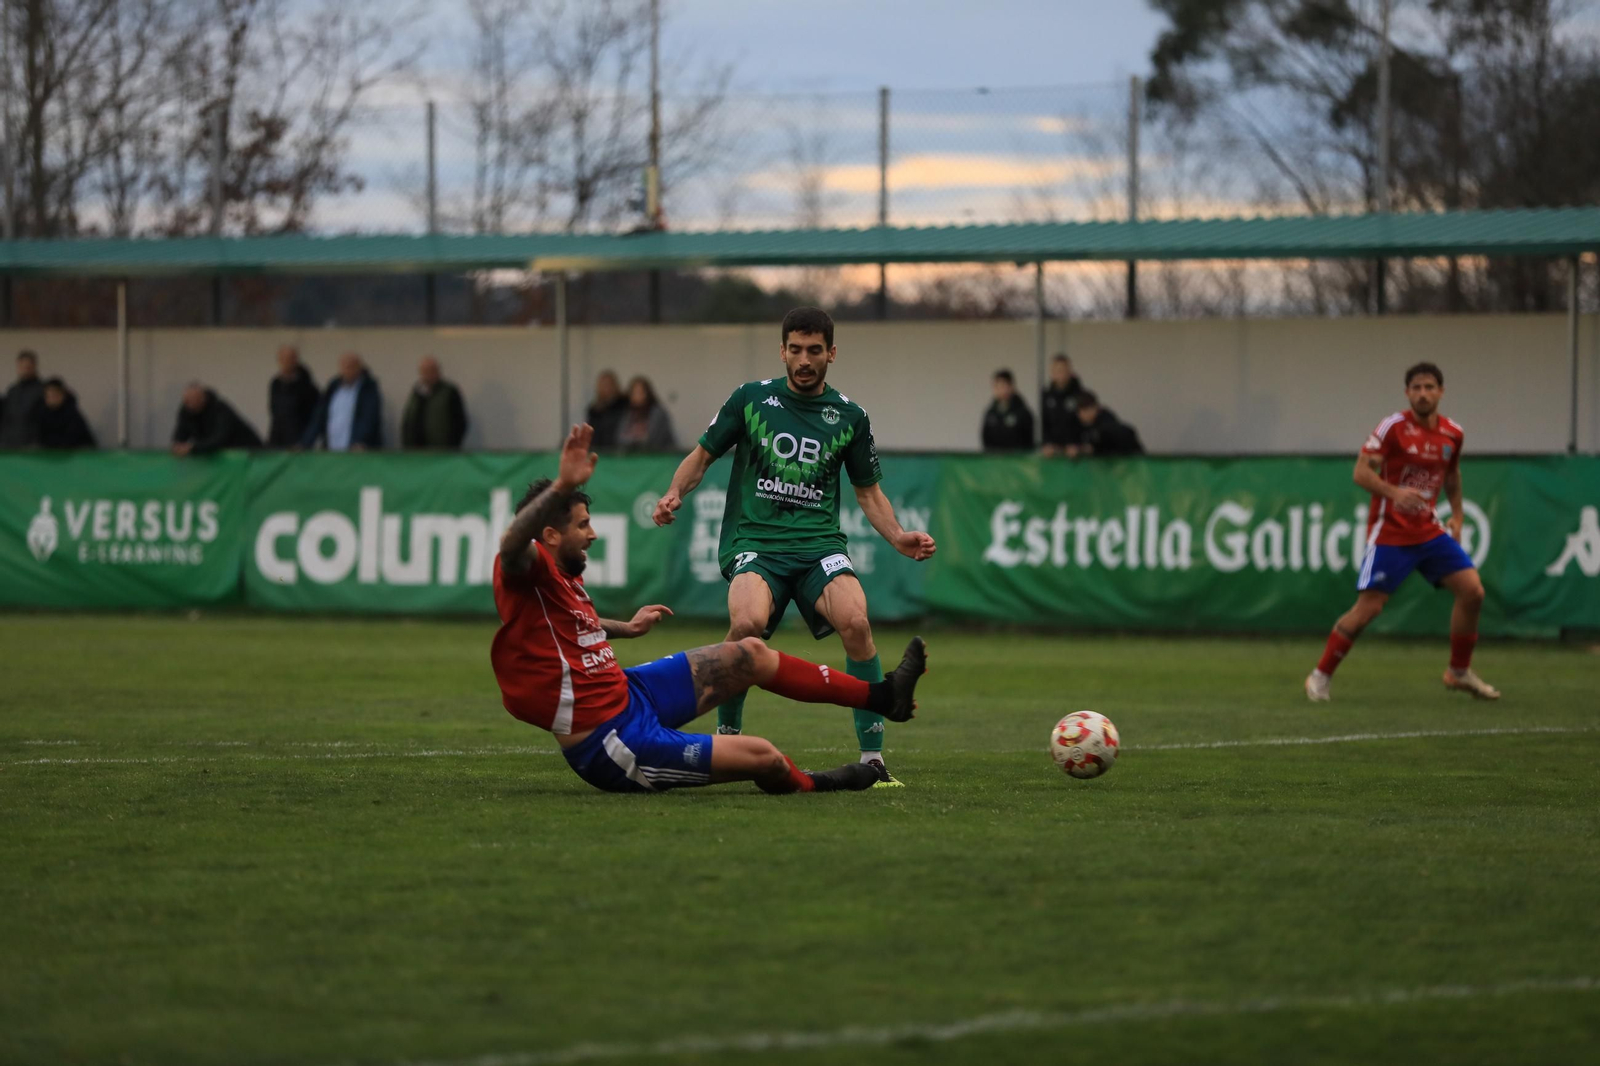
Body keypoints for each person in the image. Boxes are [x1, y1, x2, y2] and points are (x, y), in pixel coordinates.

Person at [493, 423, 929, 795]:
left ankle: (883, 697)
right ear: (549, 535)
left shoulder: (560, 576)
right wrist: (562, 486)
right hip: (611, 742)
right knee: (764, 756)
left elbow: (575, 624)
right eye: (583, 524)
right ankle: (817, 784)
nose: (592, 534)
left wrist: (626, 628)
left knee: (750, 652)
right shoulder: (525, 566)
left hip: (629, 693)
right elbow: (511, 545)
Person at [652, 306, 937, 787]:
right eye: (796, 350)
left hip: (819, 546)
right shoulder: (750, 399)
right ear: (782, 351)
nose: (805, 360)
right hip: (755, 543)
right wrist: (674, 492)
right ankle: (727, 738)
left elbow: (869, 493)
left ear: (832, 353)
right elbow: (702, 456)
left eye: (815, 350)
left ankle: (873, 759)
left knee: (857, 622)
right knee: (747, 625)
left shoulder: (851, 417)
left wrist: (898, 536)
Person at [1306, 361, 1499, 702]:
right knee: (1368, 610)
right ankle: (1320, 676)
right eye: (1416, 388)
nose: (1423, 394)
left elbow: (1451, 475)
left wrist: (1457, 515)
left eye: (1429, 387)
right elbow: (1360, 472)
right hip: (1391, 533)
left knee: (1473, 592)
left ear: (1441, 392)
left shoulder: (1453, 433)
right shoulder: (1392, 427)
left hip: (1429, 531)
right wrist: (1394, 493)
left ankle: (1458, 672)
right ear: (1407, 393)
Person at [301, 352, 383, 451]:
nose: (348, 370)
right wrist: (305, 443)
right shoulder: (333, 388)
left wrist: (360, 440)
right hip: (332, 447)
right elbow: (319, 417)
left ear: (359, 368)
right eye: (345, 367)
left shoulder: (368, 390)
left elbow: (368, 419)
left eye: (351, 367)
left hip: (356, 449)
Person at [172, 382, 262, 456]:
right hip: (224, 455)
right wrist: (178, 446)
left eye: (192, 400)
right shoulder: (186, 412)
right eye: (186, 402)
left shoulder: (220, 409)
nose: (189, 405)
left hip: (248, 452)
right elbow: (180, 435)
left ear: (203, 398)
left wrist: (193, 448)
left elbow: (219, 439)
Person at [400, 355, 469, 449]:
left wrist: (452, 445)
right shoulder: (416, 393)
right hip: (416, 451)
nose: (427, 374)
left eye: (431, 370)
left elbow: (460, 422)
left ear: (437, 371)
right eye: (424, 371)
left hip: (442, 450)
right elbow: (408, 420)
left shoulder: (449, 392)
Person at [268, 346, 320, 448]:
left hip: (299, 441)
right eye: (283, 359)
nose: (286, 362)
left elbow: (314, 416)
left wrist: (305, 441)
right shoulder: (275, 383)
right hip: (277, 439)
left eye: (290, 359)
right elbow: (274, 411)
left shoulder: (307, 386)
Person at [1070, 390, 1143, 458]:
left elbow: (1109, 444)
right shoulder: (1078, 424)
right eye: (1080, 411)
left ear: (1096, 408)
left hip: (1129, 458)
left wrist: (1093, 449)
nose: (1083, 414)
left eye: (1086, 410)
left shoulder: (1107, 423)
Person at [1039, 353, 1086, 457]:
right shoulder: (1046, 395)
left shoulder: (1079, 394)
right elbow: (1045, 422)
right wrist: (1047, 443)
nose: (1060, 374)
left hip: (1075, 451)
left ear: (1069, 371)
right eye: (1057, 371)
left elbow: (1085, 423)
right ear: (1052, 373)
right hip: (1053, 451)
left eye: (1063, 370)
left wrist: (1078, 445)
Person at [615, 375, 676, 453]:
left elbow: (653, 440)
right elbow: (619, 438)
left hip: (658, 455)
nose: (637, 396)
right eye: (634, 393)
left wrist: (635, 438)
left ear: (647, 394)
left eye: (640, 392)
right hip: (633, 456)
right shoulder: (628, 414)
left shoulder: (658, 414)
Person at [981, 369, 1034, 452]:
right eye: (996, 386)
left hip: (1017, 457)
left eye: (1002, 386)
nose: (999, 390)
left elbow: (1027, 441)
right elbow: (985, 437)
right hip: (994, 458)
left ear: (1011, 387)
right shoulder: (990, 413)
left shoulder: (1022, 412)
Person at [0, 350, 44, 448]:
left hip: (32, 445)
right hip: (9, 444)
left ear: (34, 367)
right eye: (22, 367)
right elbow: (6, 418)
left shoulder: (42, 390)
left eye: (28, 367)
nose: (25, 370)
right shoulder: (12, 391)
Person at [37, 378, 96, 450]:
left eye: (54, 395)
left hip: (76, 453)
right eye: (48, 396)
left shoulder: (72, 414)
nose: (52, 399)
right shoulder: (42, 414)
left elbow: (72, 439)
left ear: (62, 395)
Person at [586, 370, 628, 449]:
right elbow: (590, 431)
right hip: (599, 449)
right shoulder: (594, 410)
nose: (606, 388)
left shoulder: (624, 404)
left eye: (609, 384)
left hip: (618, 449)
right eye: (603, 385)